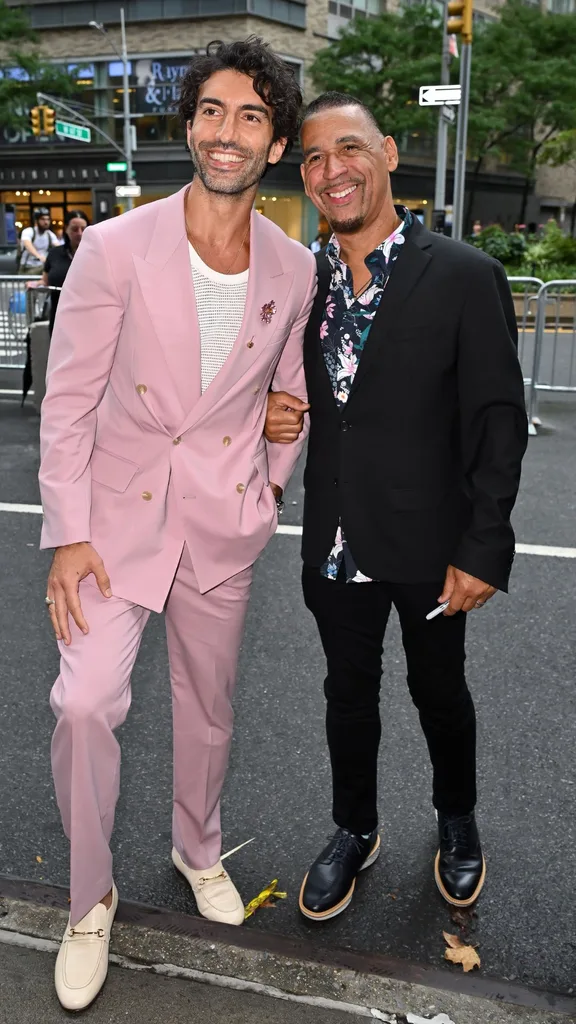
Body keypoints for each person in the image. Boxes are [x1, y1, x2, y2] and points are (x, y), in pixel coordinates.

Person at [39, 37, 314, 1011]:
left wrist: (275, 471)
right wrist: (66, 532)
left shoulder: (295, 265)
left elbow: (291, 394)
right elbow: (67, 400)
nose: (225, 131)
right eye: (210, 111)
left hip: (221, 524)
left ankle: (198, 846)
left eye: (248, 116)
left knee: (209, 711)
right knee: (83, 704)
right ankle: (87, 897)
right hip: (112, 526)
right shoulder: (114, 246)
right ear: (188, 126)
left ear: (274, 142)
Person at [265, 92, 527, 923]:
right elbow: (287, 387)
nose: (331, 170)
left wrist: (483, 547)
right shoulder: (303, 281)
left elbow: (497, 423)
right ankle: (355, 827)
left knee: (439, 691)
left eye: (347, 150)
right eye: (312, 158)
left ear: (385, 154)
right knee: (348, 694)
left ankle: (457, 820)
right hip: (335, 543)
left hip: (430, 543)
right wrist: (267, 408)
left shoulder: (462, 275)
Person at [42, 210, 89, 335]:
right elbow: (45, 280)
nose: (79, 233)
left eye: (83, 229)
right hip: (59, 316)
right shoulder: (54, 254)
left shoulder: (97, 254)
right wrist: (35, 284)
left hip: (88, 316)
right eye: (74, 229)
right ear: (66, 229)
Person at [18, 208, 60, 274]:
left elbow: (58, 247)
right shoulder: (29, 231)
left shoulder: (50, 234)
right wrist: (39, 256)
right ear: (36, 221)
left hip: (43, 266)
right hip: (28, 267)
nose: (46, 222)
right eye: (43, 219)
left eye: (48, 219)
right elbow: (28, 245)